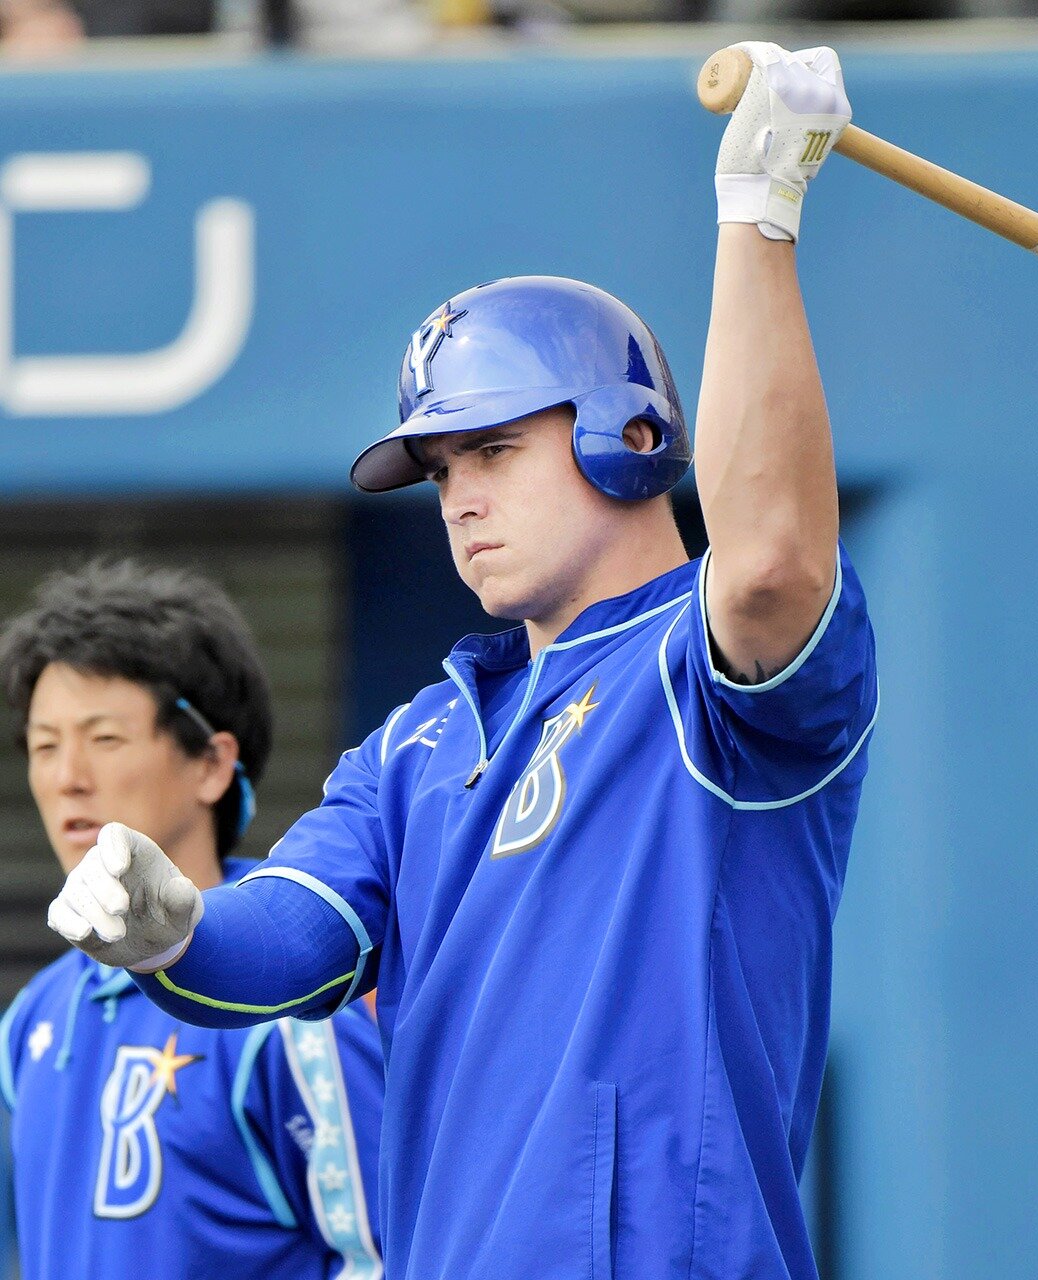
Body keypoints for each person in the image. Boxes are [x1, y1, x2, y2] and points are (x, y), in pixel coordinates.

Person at [46, 42, 877, 1280]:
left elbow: (766, 566)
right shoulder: (417, 743)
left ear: (625, 432)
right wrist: (176, 931)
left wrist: (755, 218)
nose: (458, 497)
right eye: (440, 470)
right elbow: (288, 940)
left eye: (492, 449)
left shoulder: (698, 669)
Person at [0, 561, 384, 1280]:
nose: (66, 777)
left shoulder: (296, 1005)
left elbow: (388, 1256)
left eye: (104, 738)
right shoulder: (31, 1019)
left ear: (210, 764)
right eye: (44, 745)